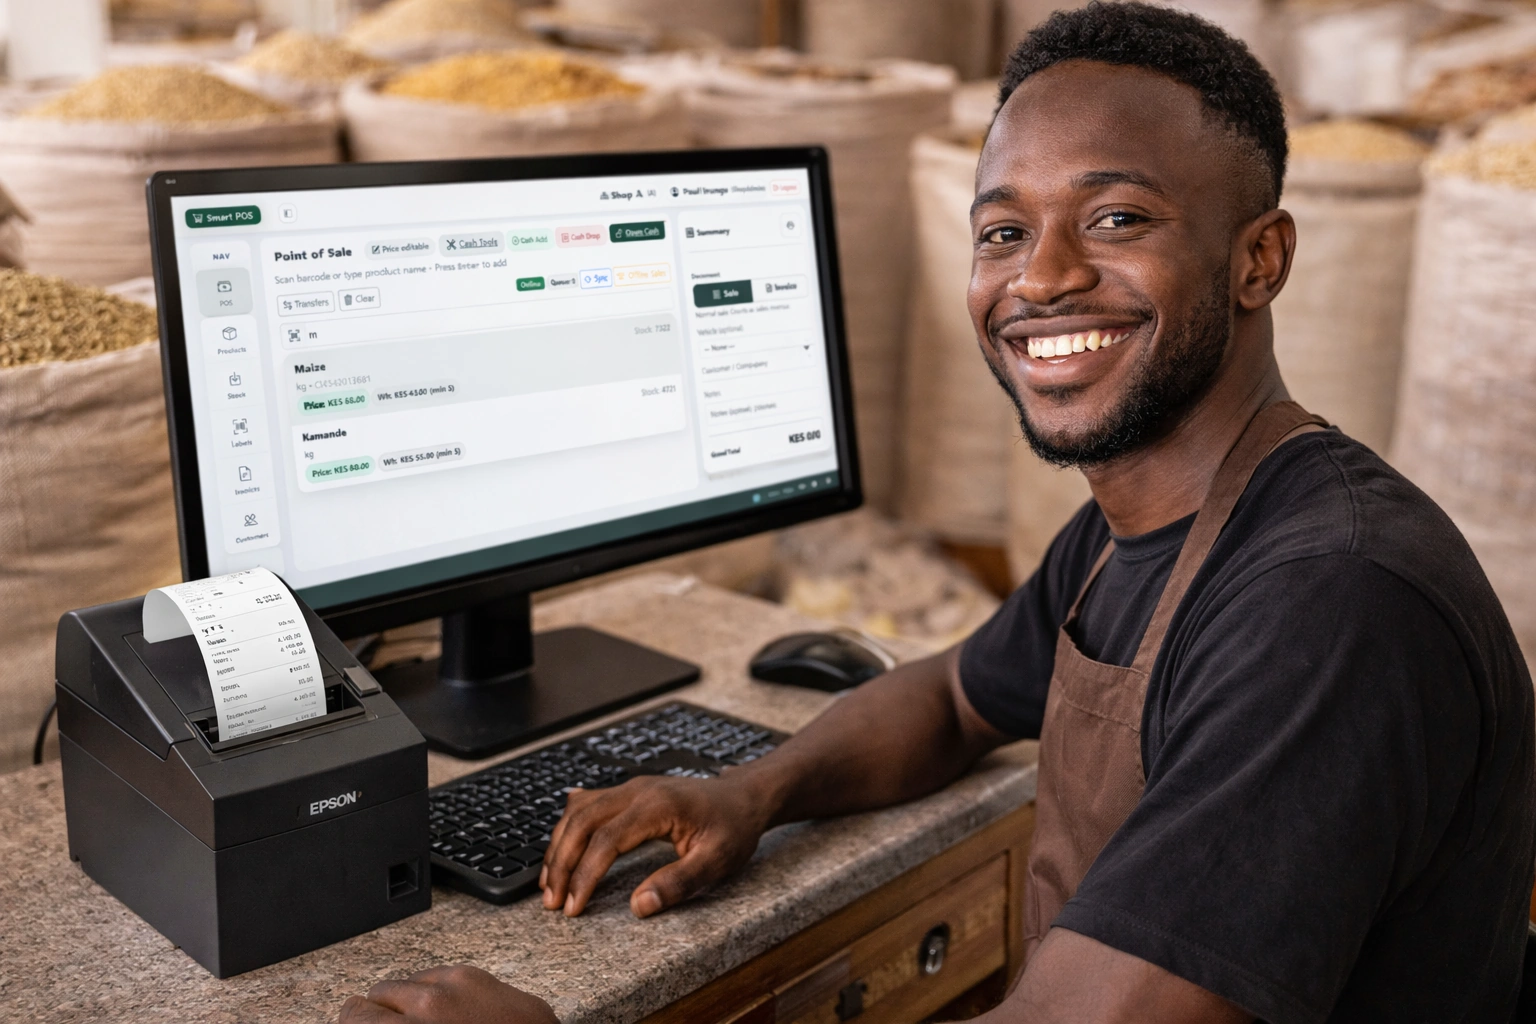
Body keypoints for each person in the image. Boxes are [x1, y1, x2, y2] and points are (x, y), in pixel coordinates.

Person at [338, 4, 1536, 1022]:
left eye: (1116, 219)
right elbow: (956, 696)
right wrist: (751, 794)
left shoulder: (1330, 605)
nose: (1043, 275)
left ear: (1258, 260)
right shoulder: (1140, 525)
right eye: (1004, 230)